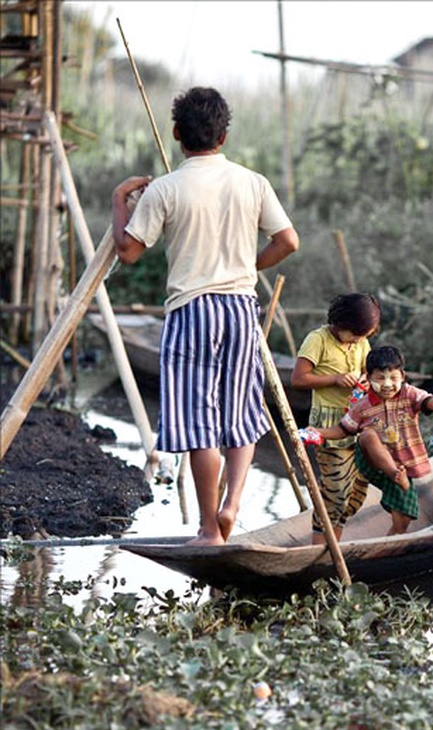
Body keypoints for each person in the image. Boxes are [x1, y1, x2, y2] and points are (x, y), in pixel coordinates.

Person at [111, 86, 299, 546]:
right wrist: (246, 265)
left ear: (177, 134)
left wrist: (120, 199)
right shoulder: (252, 181)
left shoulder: (166, 189)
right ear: (224, 135)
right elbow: (287, 241)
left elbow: (128, 251)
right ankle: (233, 502)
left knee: (200, 426)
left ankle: (210, 528)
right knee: (240, 414)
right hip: (239, 308)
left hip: (192, 310)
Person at [302, 346, 433, 534]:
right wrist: (318, 432)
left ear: (402, 376)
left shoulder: (409, 394)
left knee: (403, 521)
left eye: (393, 378)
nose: (387, 384)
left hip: (401, 464)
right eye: (380, 379)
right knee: (367, 435)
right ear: (370, 378)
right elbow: (342, 430)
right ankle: (395, 474)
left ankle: (392, 537)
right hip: (372, 462)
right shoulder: (363, 406)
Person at [291, 293, 381, 539]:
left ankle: (334, 547)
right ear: (340, 324)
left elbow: (367, 369)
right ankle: (319, 549)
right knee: (336, 492)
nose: (358, 341)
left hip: (359, 423)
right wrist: (335, 379)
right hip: (329, 426)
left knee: (356, 493)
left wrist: (365, 378)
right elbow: (298, 379)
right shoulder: (317, 340)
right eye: (355, 335)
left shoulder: (360, 343)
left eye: (364, 337)